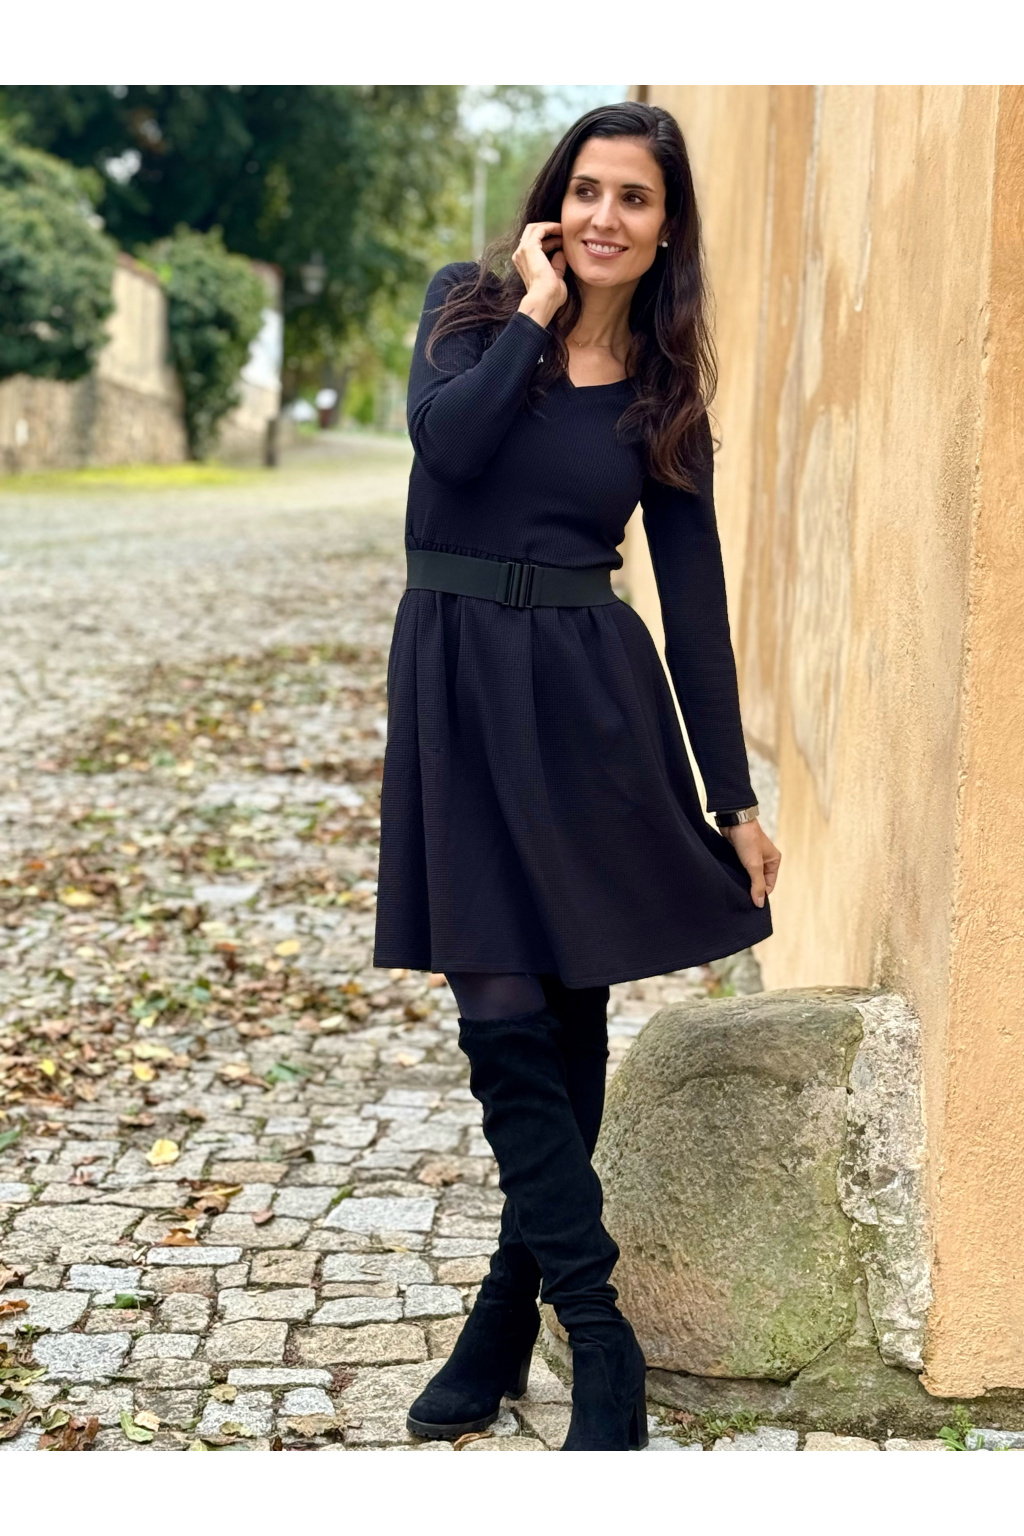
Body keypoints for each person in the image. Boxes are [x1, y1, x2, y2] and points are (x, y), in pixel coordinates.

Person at [372, 100, 782, 1451]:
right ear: (559, 202)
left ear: (667, 230)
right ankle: (599, 1336)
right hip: (456, 681)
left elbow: (698, 610)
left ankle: (505, 1316)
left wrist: (733, 798)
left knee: (566, 1010)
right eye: (590, 190)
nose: (608, 216)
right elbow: (449, 448)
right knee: (496, 1004)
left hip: (592, 702)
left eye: (636, 199)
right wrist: (540, 312)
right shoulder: (471, 310)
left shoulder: (666, 397)